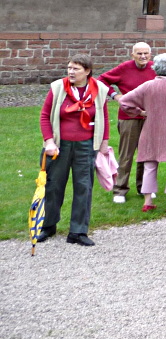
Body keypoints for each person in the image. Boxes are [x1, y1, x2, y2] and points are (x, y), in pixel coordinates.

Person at [37, 54, 111, 246]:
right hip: (59, 147)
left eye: (76, 69)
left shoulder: (100, 89)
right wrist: (49, 142)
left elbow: (103, 117)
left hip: (86, 146)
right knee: (53, 186)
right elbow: (45, 116)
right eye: (69, 68)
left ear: (87, 71)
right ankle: (48, 226)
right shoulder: (58, 87)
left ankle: (78, 231)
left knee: (83, 188)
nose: (70, 72)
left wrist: (104, 143)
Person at [119, 53, 166, 214]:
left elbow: (124, 101)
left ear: (155, 69)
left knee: (149, 166)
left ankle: (148, 202)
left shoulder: (147, 86)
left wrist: (140, 112)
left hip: (151, 129)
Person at [98, 42, 156, 203]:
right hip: (128, 117)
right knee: (126, 155)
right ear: (133, 55)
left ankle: (145, 187)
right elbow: (101, 80)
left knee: (147, 154)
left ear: (150, 54)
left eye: (146, 53)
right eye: (139, 54)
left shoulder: (155, 68)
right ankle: (120, 190)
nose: (143, 56)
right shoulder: (125, 68)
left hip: (149, 117)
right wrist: (115, 96)